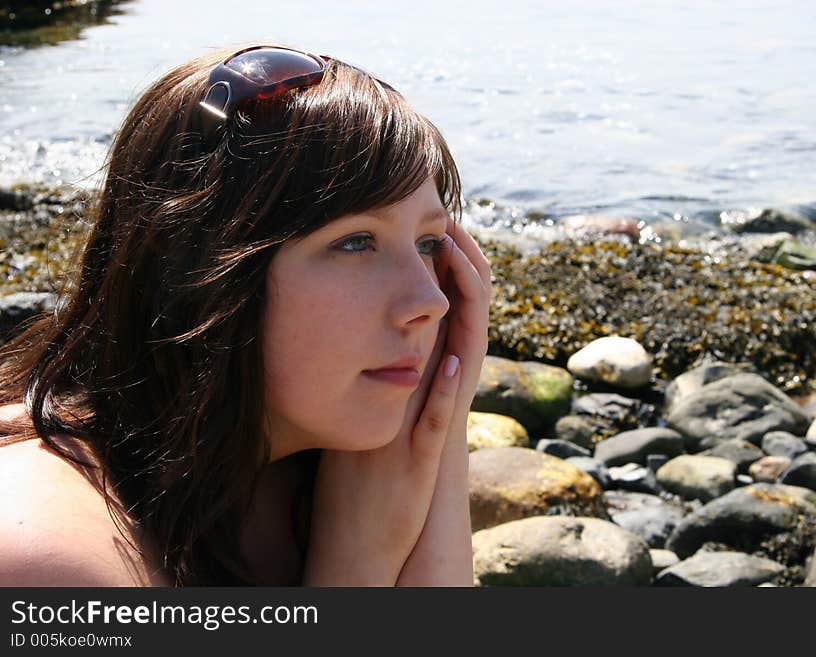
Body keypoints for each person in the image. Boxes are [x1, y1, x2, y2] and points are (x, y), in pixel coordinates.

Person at [0, 45, 491, 586]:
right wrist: (358, 562)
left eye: (428, 242)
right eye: (355, 242)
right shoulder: (45, 552)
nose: (431, 301)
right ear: (197, 269)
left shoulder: (344, 475)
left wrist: (443, 429)